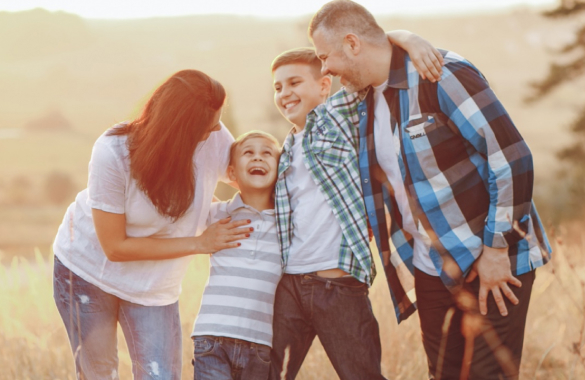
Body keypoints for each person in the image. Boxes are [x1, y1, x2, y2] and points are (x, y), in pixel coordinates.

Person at [307, 1, 552, 379]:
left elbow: (512, 158)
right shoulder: (361, 98)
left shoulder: (441, 74)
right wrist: (402, 36)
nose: (324, 68)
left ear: (353, 44)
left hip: (492, 259)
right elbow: (310, 112)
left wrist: (497, 248)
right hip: (432, 268)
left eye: (325, 57)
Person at [52, 69, 253, 380]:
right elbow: (114, 248)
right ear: (180, 129)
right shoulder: (113, 152)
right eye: (208, 127)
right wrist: (200, 243)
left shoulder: (213, 136)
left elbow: (253, 179)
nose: (217, 131)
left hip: (154, 287)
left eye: (218, 122)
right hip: (86, 272)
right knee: (99, 373)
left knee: (160, 376)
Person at [268, 33, 442, 380]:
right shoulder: (284, 150)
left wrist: (405, 38)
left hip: (339, 287)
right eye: (277, 87)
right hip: (289, 284)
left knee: (361, 373)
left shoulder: (338, 116)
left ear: (324, 85)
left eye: (294, 82)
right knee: (265, 371)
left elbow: (367, 55)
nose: (284, 92)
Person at [190, 131, 282, 380]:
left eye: (267, 154)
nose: (258, 158)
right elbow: (190, 177)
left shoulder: (287, 223)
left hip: (260, 343)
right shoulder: (216, 213)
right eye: (248, 153)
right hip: (211, 338)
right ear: (231, 173)